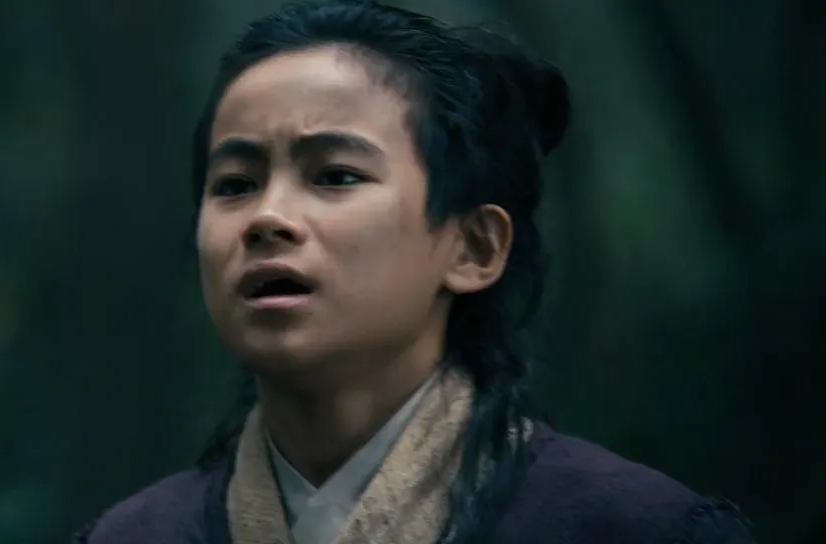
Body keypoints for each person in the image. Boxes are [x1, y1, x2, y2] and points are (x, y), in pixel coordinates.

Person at [74, 1, 756, 543]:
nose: (266, 218)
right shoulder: (133, 536)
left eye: (336, 175)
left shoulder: (634, 528)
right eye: (234, 184)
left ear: (474, 248)